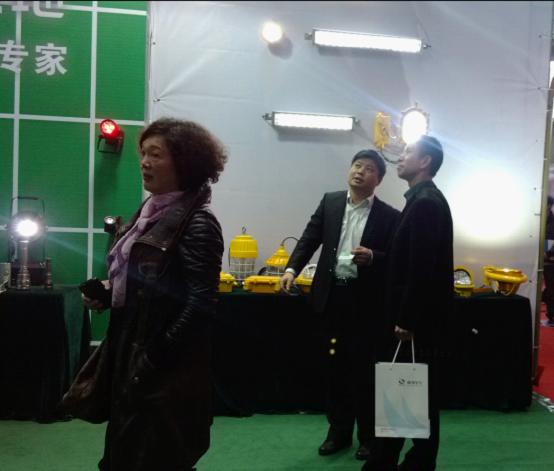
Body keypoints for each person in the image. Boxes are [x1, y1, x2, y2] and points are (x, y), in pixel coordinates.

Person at [82, 118, 226, 470]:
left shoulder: (197, 223)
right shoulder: (149, 214)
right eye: (144, 154)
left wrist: (154, 358)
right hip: (131, 350)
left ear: (184, 163)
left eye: (156, 155)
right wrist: (107, 294)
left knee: (155, 456)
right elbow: (148, 283)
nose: (145, 162)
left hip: (163, 367)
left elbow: (200, 305)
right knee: (124, 453)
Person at [280, 150, 400, 461]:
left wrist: (373, 257)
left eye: (369, 169)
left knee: (365, 372)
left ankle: (369, 437)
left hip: (366, 304)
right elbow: (309, 238)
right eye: (357, 166)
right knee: (335, 369)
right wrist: (291, 269)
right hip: (331, 299)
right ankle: (338, 433)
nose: (360, 172)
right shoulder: (331, 202)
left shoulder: (389, 215)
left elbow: (397, 259)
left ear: (378, 180)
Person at [364, 135, 453, 471]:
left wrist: (407, 319)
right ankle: (405, 462)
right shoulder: (421, 200)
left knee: (411, 394)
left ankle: (400, 462)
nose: (400, 158)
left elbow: (421, 268)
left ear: (425, 161)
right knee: (412, 395)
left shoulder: (426, 203)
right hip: (415, 319)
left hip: (414, 323)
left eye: (407, 152)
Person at [543, 196, 554, 326]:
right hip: (539, 260)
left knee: (551, 289)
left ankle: (551, 315)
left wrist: (548, 253)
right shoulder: (538, 220)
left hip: (550, 261)